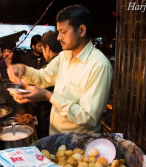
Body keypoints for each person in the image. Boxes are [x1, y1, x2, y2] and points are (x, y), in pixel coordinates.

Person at [7, 5, 113, 135]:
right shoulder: (64, 56)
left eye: (63, 31)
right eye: (58, 32)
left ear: (81, 30)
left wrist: (48, 96)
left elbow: (88, 117)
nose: (58, 38)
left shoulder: (99, 65)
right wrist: (22, 69)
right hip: (55, 136)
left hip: (78, 145)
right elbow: (43, 77)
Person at [36, 30, 63, 138]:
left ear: (47, 48)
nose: (43, 53)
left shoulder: (47, 69)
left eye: (42, 49)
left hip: (49, 121)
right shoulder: (68, 65)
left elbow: (39, 100)